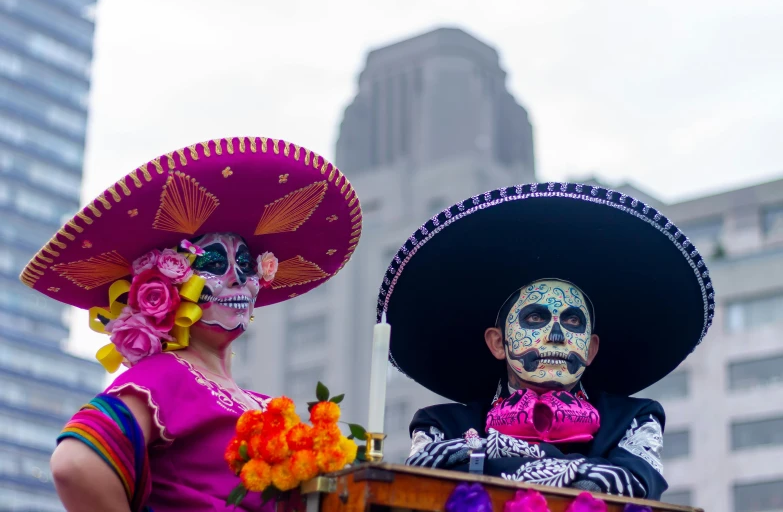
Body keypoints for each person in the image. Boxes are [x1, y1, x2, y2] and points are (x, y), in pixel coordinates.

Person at [20, 136, 362, 511]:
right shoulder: (167, 375)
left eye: (246, 265)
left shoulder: (266, 407)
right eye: (214, 263)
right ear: (167, 284)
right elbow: (75, 464)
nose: (236, 277)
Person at [375, 182, 715, 501]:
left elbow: (628, 485)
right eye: (535, 319)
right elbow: (421, 483)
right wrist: (577, 470)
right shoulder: (440, 424)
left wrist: (482, 454)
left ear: (590, 348)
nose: (556, 336)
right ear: (498, 343)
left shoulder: (636, 419)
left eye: (572, 320)